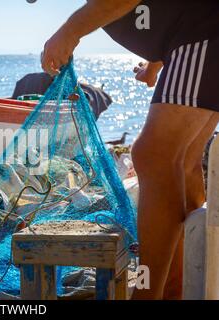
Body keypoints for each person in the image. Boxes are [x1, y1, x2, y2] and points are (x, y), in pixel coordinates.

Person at [41, 0, 219, 300]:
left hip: (203, 33)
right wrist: (156, 63)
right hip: (189, 39)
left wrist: (69, 32)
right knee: (182, 162)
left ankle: (149, 294)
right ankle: (179, 287)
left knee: (154, 155)